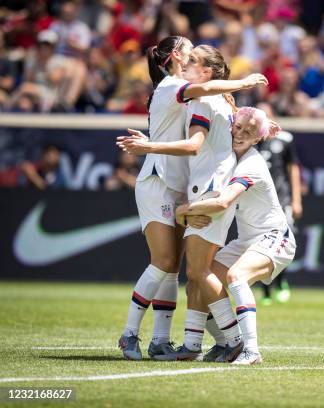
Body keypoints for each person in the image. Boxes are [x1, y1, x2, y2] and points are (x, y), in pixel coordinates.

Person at [116, 36, 268, 361]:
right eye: (188, 51)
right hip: (168, 182)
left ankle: (229, 340)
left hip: (198, 186)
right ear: (175, 56)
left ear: (207, 70)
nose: (189, 58)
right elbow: (224, 120)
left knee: (189, 271)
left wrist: (150, 146)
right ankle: (158, 339)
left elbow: (198, 142)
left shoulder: (203, 97)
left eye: (195, 57)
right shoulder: (187, 90)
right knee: (172, 267)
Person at [175, 107, 295, 365]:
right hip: (246, 241)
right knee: (198, 281)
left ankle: (250, 349)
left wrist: (183, 211)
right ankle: (212, 343)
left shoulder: (251, 163)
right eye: (238, 127)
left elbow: (222, 203)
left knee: (236, 277)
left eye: (249, 132)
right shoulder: (227, 155)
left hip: (276, 237)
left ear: (256, 139)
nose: (239, 134)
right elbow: (225, 108)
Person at [256, 103, 302, 305]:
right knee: (259, 241)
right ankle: (265, 290)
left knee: (284, 239)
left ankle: (281, 281)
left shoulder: (285, 139)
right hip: (259, 200)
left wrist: (296, 199)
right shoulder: (250, 141)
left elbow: (293, 169)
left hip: (281, 199)